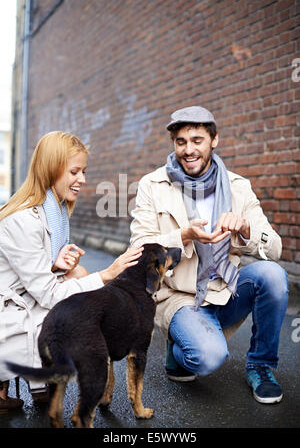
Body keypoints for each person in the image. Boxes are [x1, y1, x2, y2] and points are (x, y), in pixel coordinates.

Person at [130, 106, 289, 404]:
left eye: (197, 140)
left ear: (214, 140)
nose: (188, 150)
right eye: (181, 142)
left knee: (273, 276)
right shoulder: (153, 185)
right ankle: (179, 344)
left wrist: (244, 228)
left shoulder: (238, 187)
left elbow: (275, 248)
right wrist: (184, 235)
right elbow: (138, 250)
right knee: (207, 359)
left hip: (226, 289)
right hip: (180, 296)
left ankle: (261, 366)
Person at [0, 131, 143, 413]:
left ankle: (40, 379)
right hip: (9, 312)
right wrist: (107, 274)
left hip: (22, 301)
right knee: (80, 309)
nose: (83, 179)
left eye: (84, 171)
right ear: (51, 169)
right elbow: (48, 294)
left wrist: (56, 266)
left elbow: (33, 275)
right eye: (75, 171)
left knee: (80, 279)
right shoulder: (23, 221)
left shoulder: (54, 212)